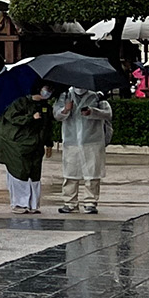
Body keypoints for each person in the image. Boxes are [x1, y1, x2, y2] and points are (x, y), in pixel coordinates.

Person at [0, 84, 57, 213]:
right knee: (19, 172)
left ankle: (32, 204)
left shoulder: (45, 107)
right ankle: (19, 204)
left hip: (36, 146)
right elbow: (12, 118)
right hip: (19, 145)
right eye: (46, 89)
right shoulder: (20, 103)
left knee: (35, 174)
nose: (48, 92)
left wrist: (48, 143)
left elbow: (47, 126)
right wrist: (30, 118)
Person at [52, 85, 112, 214]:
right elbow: (56, 115)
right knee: (70, 174)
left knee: (92, 174)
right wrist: (65, 110)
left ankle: (90, 202)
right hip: (71, 141)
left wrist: (92, 112)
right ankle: (70, 202)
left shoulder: (97, 96)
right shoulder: (65, 95)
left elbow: (108, 114)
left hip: (92, 141)